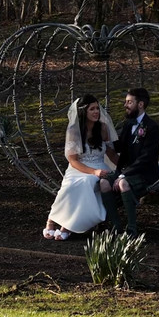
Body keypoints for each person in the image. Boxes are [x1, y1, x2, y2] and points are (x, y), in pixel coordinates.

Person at [43, 94, 119, 241]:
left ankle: (67, 226)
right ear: (84, 111)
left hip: (99, 166)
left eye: (97, 108)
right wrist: (93, 171)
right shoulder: (74, 130)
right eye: (92, 109)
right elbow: (73, 161)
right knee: (71, 185)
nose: (96, 111)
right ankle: (51, 220)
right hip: (79, 168)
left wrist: (124, 168)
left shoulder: (102, 128)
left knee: (87, 183)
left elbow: (111, 153)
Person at [100, 87, 159, 237]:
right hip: (125, 171)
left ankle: (132, 229)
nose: (125, 105)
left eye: (129, 102)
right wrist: (104, 140)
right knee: (103, 183)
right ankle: (116, 226)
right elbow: (121, 145)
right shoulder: (128, 124)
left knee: (123, 183)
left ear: (140, 104)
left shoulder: (152, 127)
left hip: (144, 173)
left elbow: (146, 157)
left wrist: (123, 175)